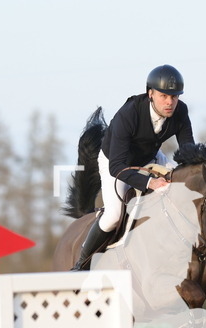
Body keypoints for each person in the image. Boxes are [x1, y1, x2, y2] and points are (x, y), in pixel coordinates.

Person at [71, 64, 194, 271]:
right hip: (116, 162)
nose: (170, 102)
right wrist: (151, 182)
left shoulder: (180, 111)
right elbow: (117, 167)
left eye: (174, 97)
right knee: (114, 215)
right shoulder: (128, 115)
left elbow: (189, 152)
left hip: (150, 157)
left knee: (185, 188)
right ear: (150, 94)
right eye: (164, 96)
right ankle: (81, 263)